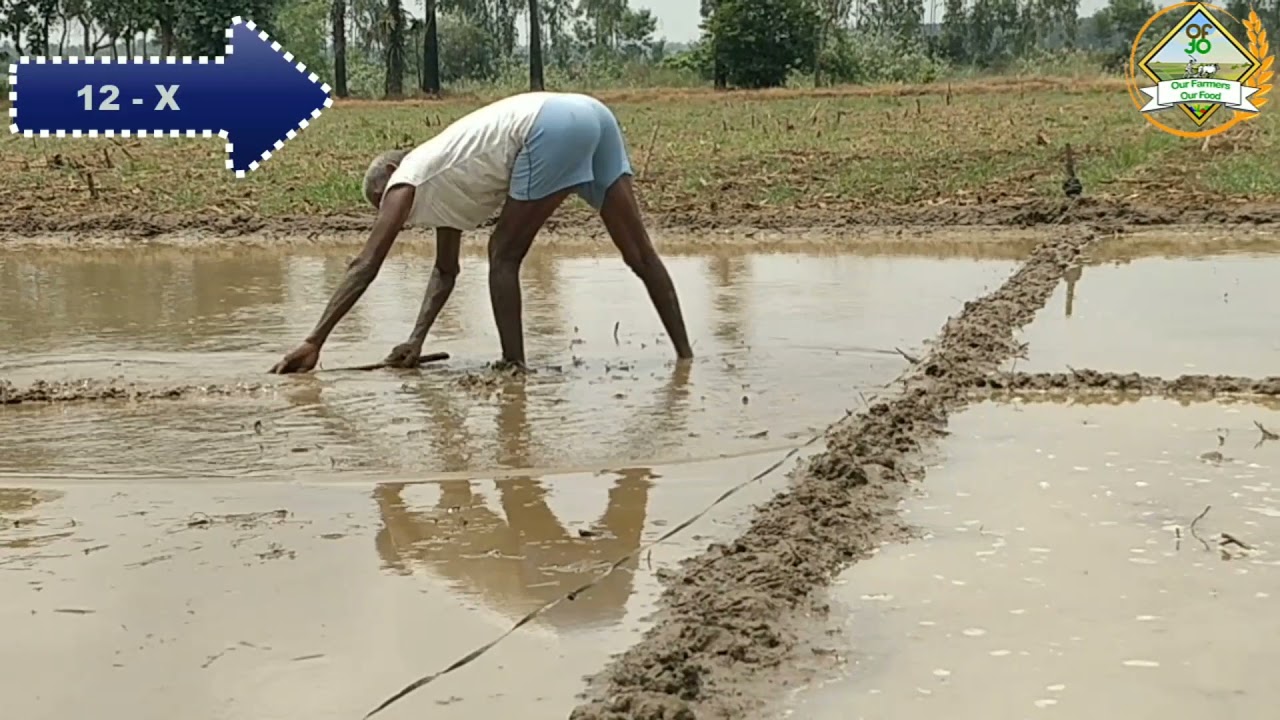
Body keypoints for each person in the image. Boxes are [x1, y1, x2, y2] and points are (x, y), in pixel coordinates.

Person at [269, 91, 694, 375]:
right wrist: (416, 340)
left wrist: (314, 340)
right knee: (640, 254)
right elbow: (446, 271)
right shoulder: (443, 182)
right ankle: (686, 359)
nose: (393, 217)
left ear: (392, 178)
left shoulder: (407, 179)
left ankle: (513, 367)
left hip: (550, 127)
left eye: (382, 206)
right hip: (592, 113)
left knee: (502, 255)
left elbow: (365, 264)